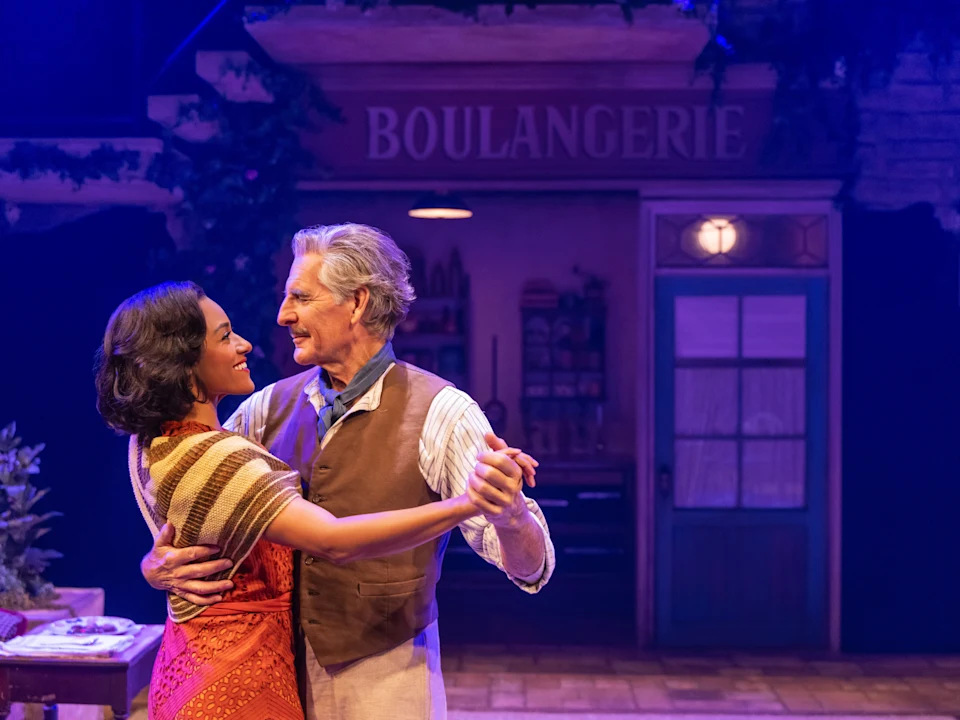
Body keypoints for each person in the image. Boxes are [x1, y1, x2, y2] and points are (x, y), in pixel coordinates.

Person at [141, 223, 556, 719]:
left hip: (385, 678)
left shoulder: (443, 412)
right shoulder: (265, 409)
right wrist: (155, 564)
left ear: (357, 303)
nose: (283, 315)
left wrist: (511, 516)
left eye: (300, 297)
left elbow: (532, 568)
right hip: (275, 671)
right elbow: (193, 496)